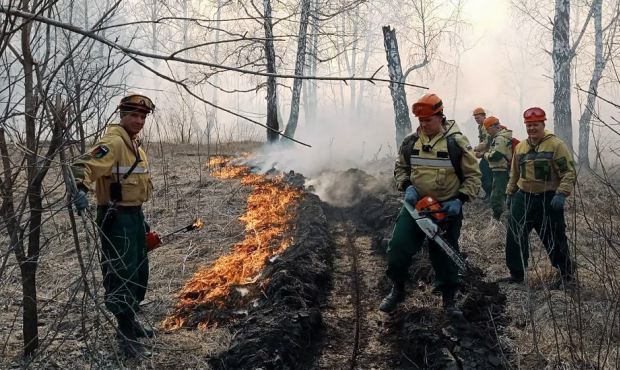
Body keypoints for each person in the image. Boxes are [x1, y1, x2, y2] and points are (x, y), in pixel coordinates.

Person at [380, 93, 481, 315]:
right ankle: (397, 289)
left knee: (445, 254)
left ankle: (449, 300)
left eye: (428, 120)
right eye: (421, 121)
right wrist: (406, 185)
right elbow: (400, 168)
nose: (424, 125)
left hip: (446, 208)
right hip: (416, 207)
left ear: (440, 117)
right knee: (397, 248)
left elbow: (473, 176)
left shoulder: (456, 143)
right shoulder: (410, 142)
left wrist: (460, 199)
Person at [72, 94, 155, 357]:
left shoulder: (136, 146)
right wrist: (80, 186)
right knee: (121, 274)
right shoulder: (113, 142)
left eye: (143, 117)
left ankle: (131, 321)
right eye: (134, 115)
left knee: (139, 273)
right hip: (116, 219)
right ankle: (125, 335)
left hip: (134, 217)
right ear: (122, 115)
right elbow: (85, 163)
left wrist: (141, 217)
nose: (139, 120)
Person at [502, 107, 575, 289]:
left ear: (543, 124)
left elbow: (568, 173)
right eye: (529, 126)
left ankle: (566, 274)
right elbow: (514, 174)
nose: (532, 129)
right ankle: (517, 274)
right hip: (523, 197)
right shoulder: (521, 147)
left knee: (553, 236)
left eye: (535, 125)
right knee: (515, 235)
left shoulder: (556, 145)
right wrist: (510, 194)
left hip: (548, 198)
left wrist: (561, 193)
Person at [482, 116, 513, 220]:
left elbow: (496, 155)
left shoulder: (500, 138)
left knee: (496, 197)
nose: (487, 132)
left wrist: (484, 155)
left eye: (487, 129)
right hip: (501, 170)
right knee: (504, 193)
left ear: (493, 127)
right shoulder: (500, 137)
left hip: (501, 171)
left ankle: (497, 218)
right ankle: (508, 214)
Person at [472, 107, 493, 200]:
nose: (476, 120)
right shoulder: (480, 126)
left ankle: (490, 195)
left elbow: (486, 142)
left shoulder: (486, 126)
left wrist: (476, 150)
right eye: (475, 118)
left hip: (490, 154)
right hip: (486, 154)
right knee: (486, 175)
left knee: (482, 174)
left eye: (478, 118)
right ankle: (490, 195)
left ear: (484, 116)